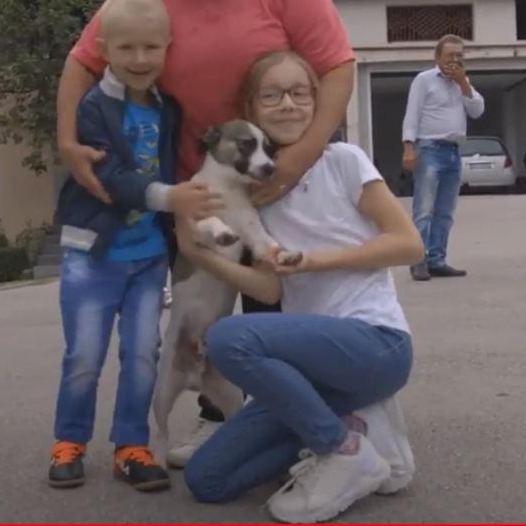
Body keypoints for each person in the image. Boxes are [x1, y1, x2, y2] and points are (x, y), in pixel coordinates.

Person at [54, 0, 355, 466]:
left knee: (282, 300)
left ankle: (300, 421)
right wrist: (67, 142)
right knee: (207, 309)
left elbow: (337, 68)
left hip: (280, 172)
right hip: (196, 179)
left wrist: (298, 159)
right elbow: (84, 60)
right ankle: (221, 416)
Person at [176, 50, 421, 523]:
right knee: (207, 479)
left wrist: (316, 261)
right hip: (310, 376)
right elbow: (268, 292)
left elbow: (408, 245)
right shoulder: (256, 198)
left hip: (375, 344)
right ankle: (359, 436)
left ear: (317, 101)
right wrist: (199, 253)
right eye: (272, 95)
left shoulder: (343, 160)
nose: (287, 104)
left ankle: (341, 448)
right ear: (251, 111)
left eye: (300, 93)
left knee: (231, 338)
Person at [47, 0, 222, 492]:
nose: (140, 60)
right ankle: (69, 442)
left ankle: (131, 446)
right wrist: (172, 198)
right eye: (126, 48)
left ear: (169, 47)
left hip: (147, 257)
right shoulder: (93, 108)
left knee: (144, 353)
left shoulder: (168, 110)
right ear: (102, 49)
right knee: (84, 356)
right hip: (93, 253)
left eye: (151, 47)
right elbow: (112, 177)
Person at [400, 34, 484, 281]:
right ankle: (418, 260)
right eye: (450, 55)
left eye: (460, 55)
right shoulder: (424, 80)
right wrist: (408, 148)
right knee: (424, 209)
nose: (455, 60)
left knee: (445, 211)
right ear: (437, 58)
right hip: (429, 149)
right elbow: (411, 115)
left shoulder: (463, 83)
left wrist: (463, 85)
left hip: (453, 151)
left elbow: (478, 110)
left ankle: (437, 259)